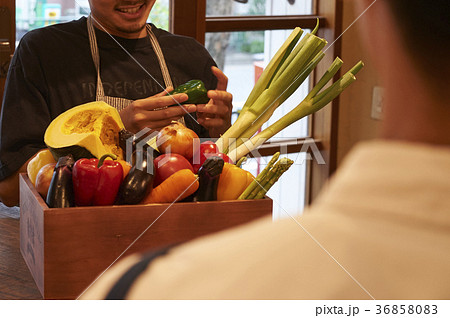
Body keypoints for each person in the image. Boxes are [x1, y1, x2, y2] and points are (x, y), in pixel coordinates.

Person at [81, 0, 450, 299]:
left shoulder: (150, 291)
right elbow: (21, 184)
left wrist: (220, 130)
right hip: (87, 241)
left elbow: (208, 166)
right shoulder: (44, 49)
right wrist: (120, 123)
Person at [0, 0, 233, 207]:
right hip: (79, 239)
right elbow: (9, 191)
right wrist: (115, 132)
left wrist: (221, 133)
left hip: (183, 240)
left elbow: (218, 176)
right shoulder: (42, 52)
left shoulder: (191, 55)